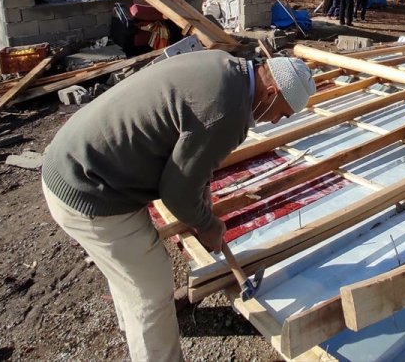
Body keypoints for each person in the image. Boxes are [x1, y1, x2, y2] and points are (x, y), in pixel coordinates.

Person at [41, 51, 316, 362]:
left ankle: (131, 325)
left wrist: (204, 209)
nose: (277, 120)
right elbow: (177, 193)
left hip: (74, 156)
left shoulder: (226, 67)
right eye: (283, 113)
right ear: (271, 92)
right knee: (151, 291)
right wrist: (208, 225)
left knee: (129, 270)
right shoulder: (229, 113)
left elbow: (194, 165)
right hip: (91, 188)